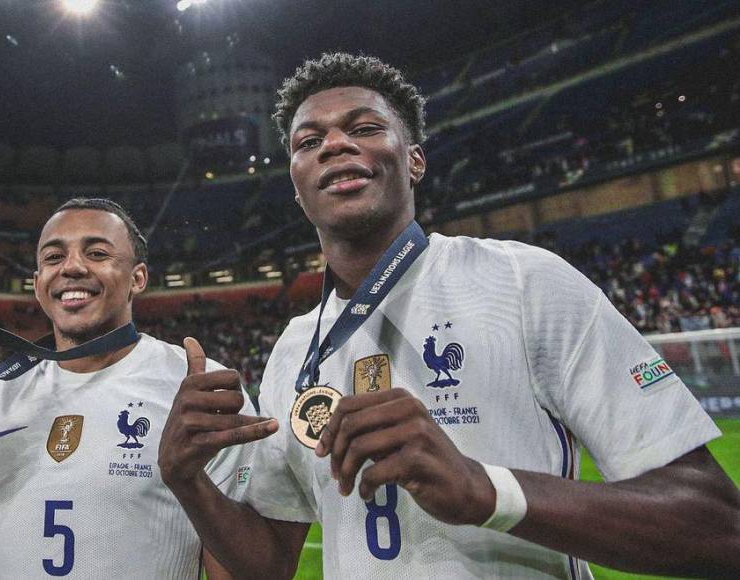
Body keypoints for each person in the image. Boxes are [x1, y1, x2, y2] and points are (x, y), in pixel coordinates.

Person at [158, 53, 740, 578]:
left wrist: (485, 491)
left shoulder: (524, 280)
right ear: (296, 186)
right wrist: (188, 480)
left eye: (364, 128)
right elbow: (267, 565)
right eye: (309, 141)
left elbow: (717, 527)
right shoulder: (292, 350)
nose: (334, 144)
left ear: (414, 162)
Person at [0, 198, 254, 579]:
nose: (71, 267)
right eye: (53, 258)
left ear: (138, 278)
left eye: (97, 253)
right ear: (38, 286)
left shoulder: (197, 390)